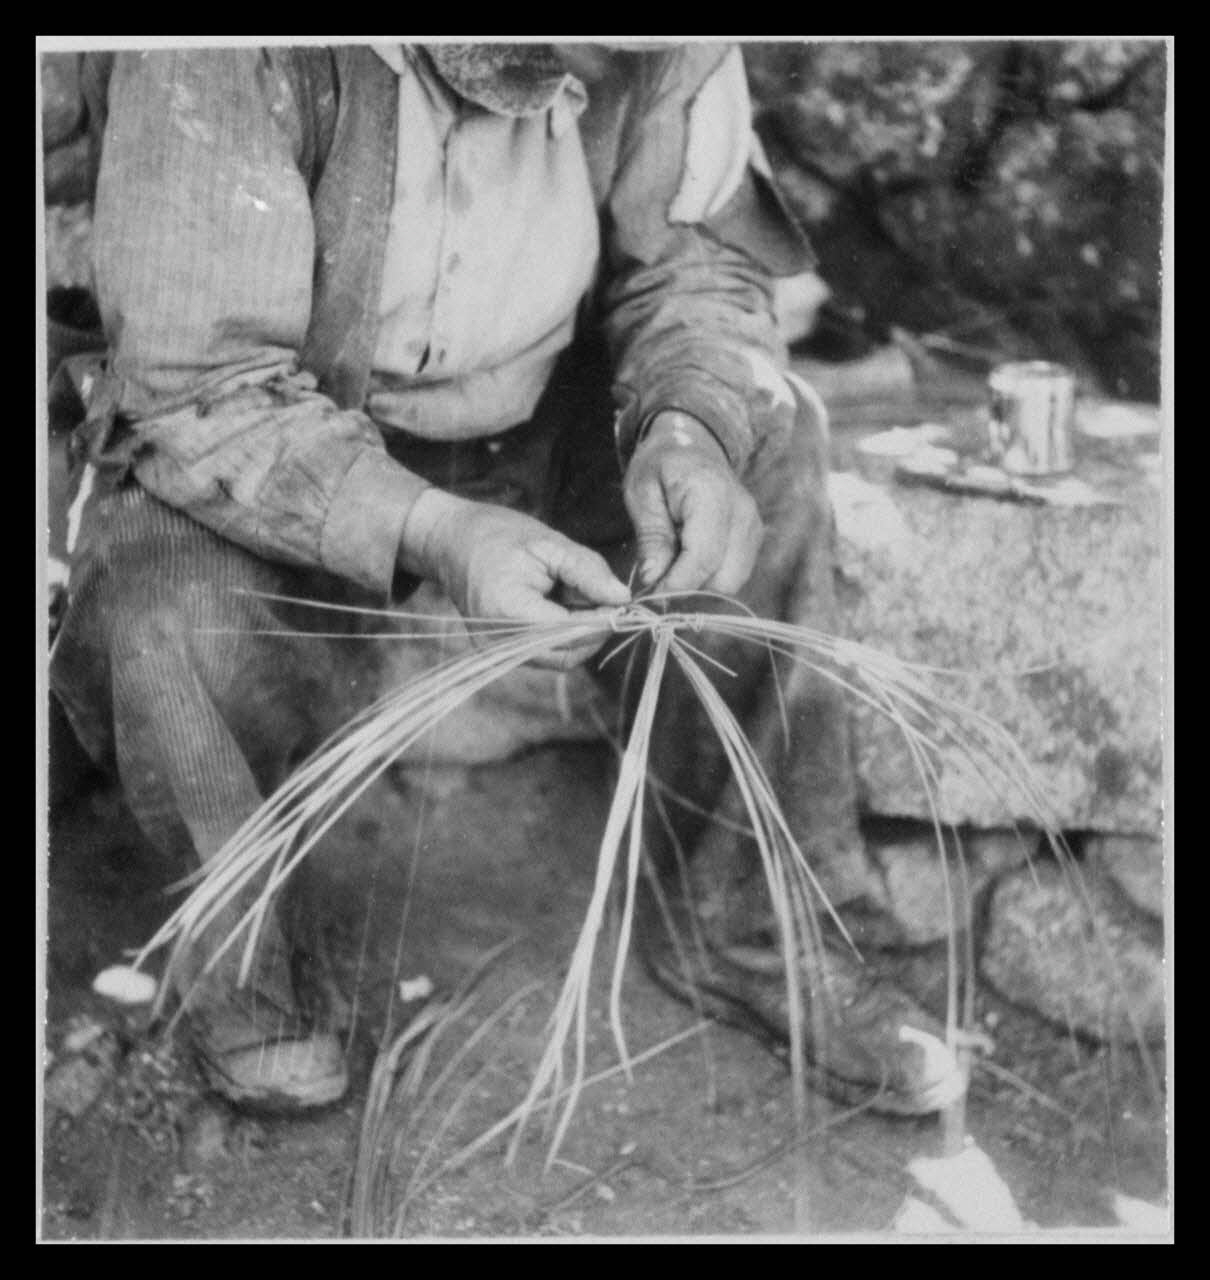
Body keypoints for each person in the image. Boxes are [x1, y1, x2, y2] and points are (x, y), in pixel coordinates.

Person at [49, 42, 959, 1116]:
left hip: (541, 419)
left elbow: (699, 270)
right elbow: (198, 388)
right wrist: (438, 531)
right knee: (165, 609)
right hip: (295, 439)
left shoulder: (665, 47)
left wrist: (687, 425)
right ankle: (241, 965)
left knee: (767, 440)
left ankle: (748, 924)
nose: (612, 60)